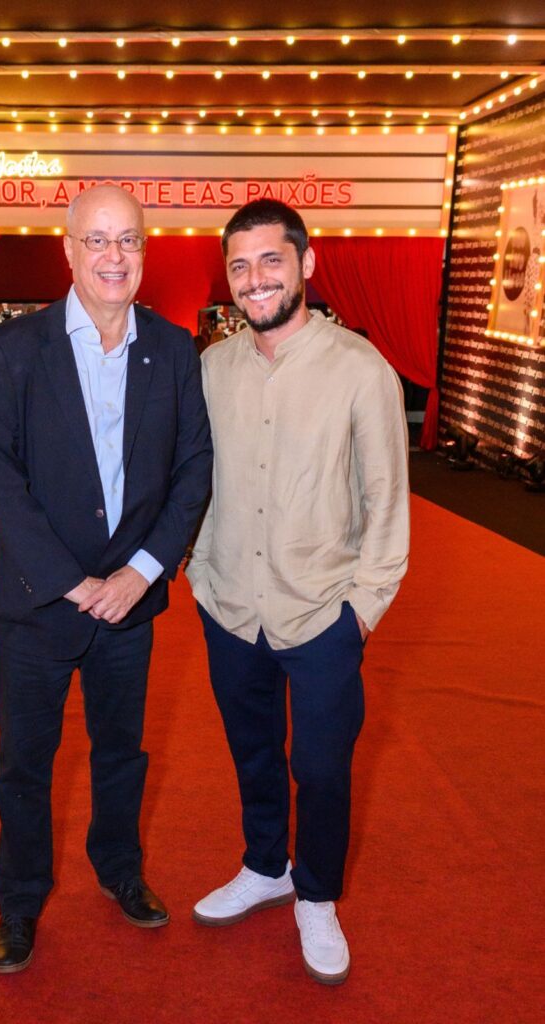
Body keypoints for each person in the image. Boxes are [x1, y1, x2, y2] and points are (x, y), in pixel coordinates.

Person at [0, 184, 212, 974]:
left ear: (146, 251)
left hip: (130, 607)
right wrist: (75, 583)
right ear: (67, 250)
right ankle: (19, 902)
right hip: (38, 606)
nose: (115, 256)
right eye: (97, 240)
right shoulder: (13, 351)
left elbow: (193, 469)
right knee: (26, 765)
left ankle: (119, 870)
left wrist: (140, 575)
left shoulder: (175, 351)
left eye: (129, 240)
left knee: (121, 753)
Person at [186, 199, 409, 986]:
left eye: (270, 261)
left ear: (306, 265)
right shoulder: (210, 368)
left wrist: (362, 613)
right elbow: (189, 484)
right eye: (240, 266)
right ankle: (264, 864)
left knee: (320, 766)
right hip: (229, 607)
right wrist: (197, 576)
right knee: (252, 755)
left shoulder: (360, 369)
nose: (255, 280)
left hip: (322, 616)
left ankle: (315, 892)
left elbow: (387, 501)